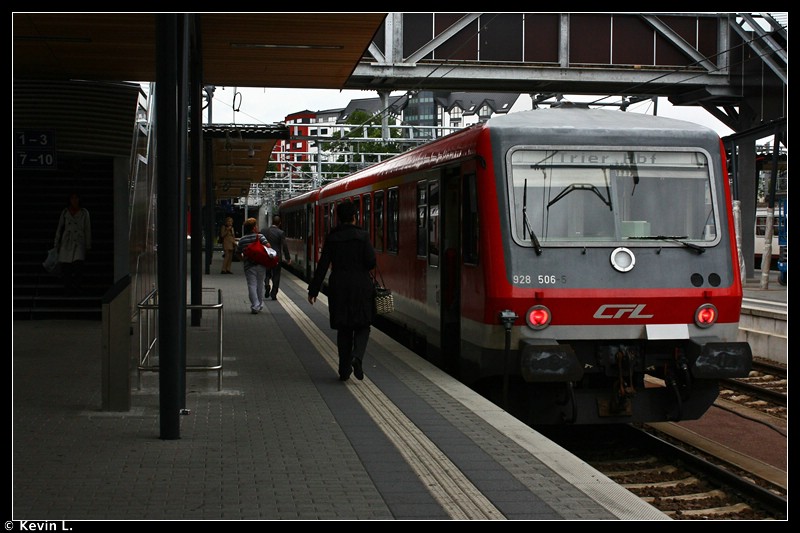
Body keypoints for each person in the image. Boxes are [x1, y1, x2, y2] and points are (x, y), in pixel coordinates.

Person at [307, 200, 376, 381]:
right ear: (354, 216)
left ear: (338, 218)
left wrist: (314, 290)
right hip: (361, 286)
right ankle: (357, 357)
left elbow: (323, 265)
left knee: (344, 328)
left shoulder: (333, 237)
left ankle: (344, 370)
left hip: (339, 287)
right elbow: (371, 262)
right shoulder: (363, 236)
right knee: (363, 325)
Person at [54, 192, 91, 294]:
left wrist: (88, 244)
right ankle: (68, 287)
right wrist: (56, 242)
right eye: (72, 198)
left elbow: (87, 229)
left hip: (79, 240)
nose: (74, 201)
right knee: (66, 267)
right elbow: (60, 227)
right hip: (67, 241)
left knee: (78, 265)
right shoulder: (65, 212)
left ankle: (77, 286)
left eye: (76, 198)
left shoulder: (84, 213)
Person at [236, 217, 270, 314]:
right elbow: (268, 246)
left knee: (252, 285)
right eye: (256, 225)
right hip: (261, 264)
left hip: (249, 266)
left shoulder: (242, 239)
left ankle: (255, 305)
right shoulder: (260, 237)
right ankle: (260, 304)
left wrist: (243, 260)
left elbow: (237, 253)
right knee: (260, 285)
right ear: (254, 228)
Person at [261, 214, 291, 300]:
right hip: (276, 257)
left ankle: (267, 284)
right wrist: (288, 258)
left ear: (272, 222)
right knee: (276, 275)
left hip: (266, 256)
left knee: (267, 273)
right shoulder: (280, 233)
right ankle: (273, 294)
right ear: (279, 223)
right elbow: (284, 246)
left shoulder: (264, 231)